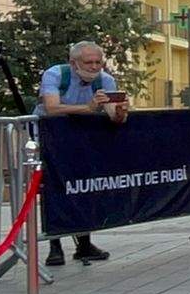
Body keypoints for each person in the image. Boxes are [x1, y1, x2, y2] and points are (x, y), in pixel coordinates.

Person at [37, 41, 125, 266]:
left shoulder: (106, 80)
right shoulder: (55, 75)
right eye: (89, 62)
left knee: (85, 187)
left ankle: (84, 244)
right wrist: (87, 108)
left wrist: (121, 112)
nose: (95, 67)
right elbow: (51, 107)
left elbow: (114, 116)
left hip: (83, 140)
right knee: (53, 189)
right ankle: (54, 246)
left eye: (98, 62)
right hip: (50, 138)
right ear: (73, 63)